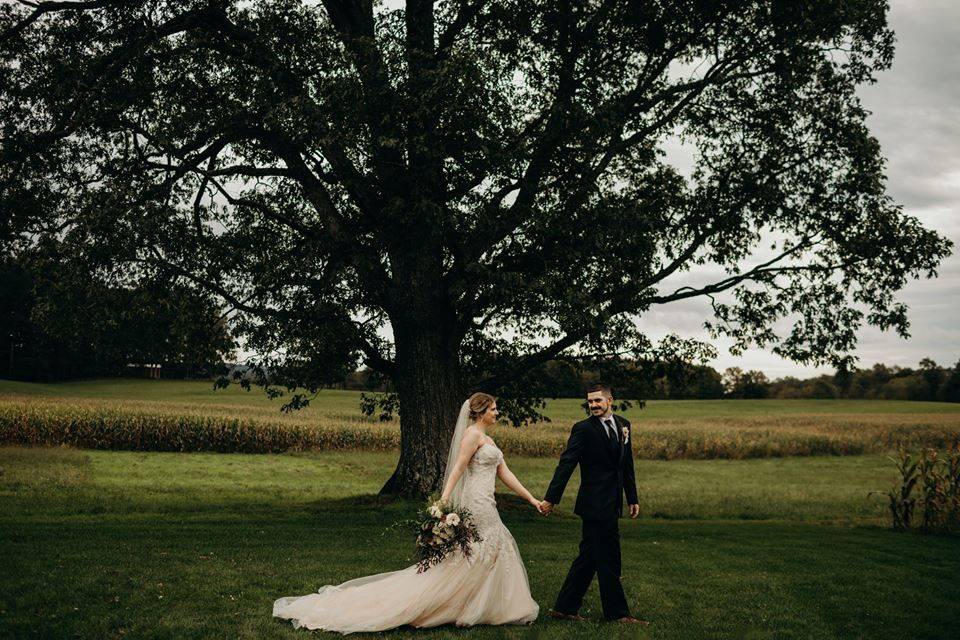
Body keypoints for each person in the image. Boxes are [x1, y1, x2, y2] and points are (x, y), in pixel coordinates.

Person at [272, 392, 541, 633]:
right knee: (482, 549)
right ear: (480, 412)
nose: (497, 413)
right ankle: (458, 605)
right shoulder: (472, 436)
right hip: (476, 503)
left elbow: (505, 473)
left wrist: (531, 499)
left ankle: (487, 605)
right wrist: (443, 502)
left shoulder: (489, 440)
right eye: (493, 409)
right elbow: (458, 469)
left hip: (487, 501)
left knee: (489, 548)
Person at [540, 383, 649, 625]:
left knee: (588, 557)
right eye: (590, 402)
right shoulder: (583, 429)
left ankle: (564, 608)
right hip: (593, 503)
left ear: (610, 400)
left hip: (613, 502)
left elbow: (626, 465)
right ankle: (618, 614)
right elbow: (566, 463)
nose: (593, 405)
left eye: (598, 401)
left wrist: (632, 497)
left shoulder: (624, 425)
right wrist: (551, 498)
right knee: (609, 556)